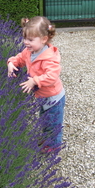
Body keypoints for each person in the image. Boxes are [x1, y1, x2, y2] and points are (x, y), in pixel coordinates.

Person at [7, 16, 65, 153]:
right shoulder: (29, 52)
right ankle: (46, 139)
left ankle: (53, 147)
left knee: (54, 123)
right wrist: (11, 63)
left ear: (44, 39)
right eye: (24, 38)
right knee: (44, 119)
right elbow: (19, 59)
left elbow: (52, 76)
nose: (25, 42)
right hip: (42, 95)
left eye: (30, 40)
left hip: (53, 97)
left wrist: (35, 80)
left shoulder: (49, 57)